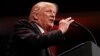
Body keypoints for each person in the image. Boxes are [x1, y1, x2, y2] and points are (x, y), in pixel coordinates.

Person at [8, 1, 74, 56]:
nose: (53, 15)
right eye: (48, 11)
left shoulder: (45, 39)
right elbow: (35, 41)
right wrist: (61, 30)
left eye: (54, 13)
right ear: (35, 15)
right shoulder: (22, 25)